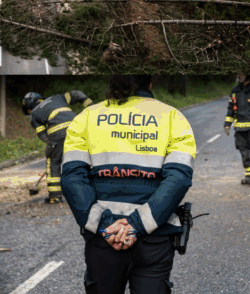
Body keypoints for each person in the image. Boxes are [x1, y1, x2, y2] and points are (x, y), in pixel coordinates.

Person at [61, 75, 197, 294]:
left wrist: (105, 225)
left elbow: (72, 178)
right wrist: (136, 225)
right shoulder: (173, 117)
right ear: (149, 83)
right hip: (154, 238)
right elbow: (178, 178)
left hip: (103, 238)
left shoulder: (86, 117)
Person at [23, 89, 92, 204]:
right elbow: (78, 94)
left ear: (29, 109)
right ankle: (89, 190)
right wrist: (91, 108)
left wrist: (51, 145)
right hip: (78, 128)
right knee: (82, 159)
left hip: (58, 134)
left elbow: (41, 133)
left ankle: (55, 196)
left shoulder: (34, 115)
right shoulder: (58, 97)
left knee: (53, 161)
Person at [223, 72, 250, 186]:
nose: (239, 76)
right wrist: (227, 123)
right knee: (244, 152)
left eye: (241, 74)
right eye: (238, 74)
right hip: (239, 127)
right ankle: (248, 174)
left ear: (249, 75)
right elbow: (231, 108)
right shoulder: (235, 90)